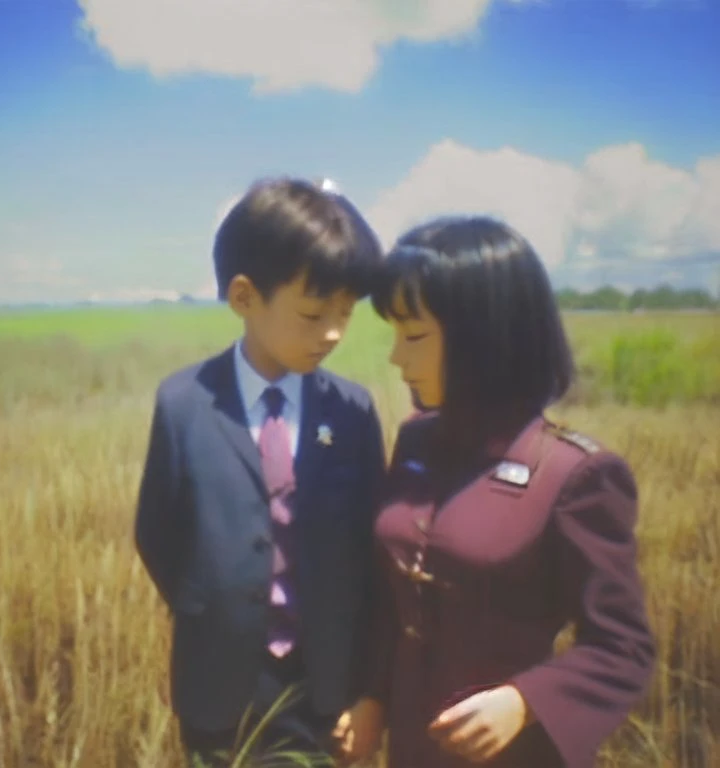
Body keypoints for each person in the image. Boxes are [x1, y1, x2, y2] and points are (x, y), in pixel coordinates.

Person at [344, 216, 655, 767]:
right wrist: (373, 694)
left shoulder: (576, 475)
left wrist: (524, 701)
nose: (397, 357)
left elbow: (623, 648)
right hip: (413, 750)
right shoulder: (416, 441)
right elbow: (391, 599)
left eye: (413, 335)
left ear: (484, 338)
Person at [134, 177, 386, 766]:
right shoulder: (184, 404)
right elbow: (158, 534)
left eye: (346, 314)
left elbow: (372, 551)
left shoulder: (352, 412)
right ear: (245, 297)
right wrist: (215, 607)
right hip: (218, 689)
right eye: (312, 313)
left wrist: (371, 688)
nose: (332, 333)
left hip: (327, 690)